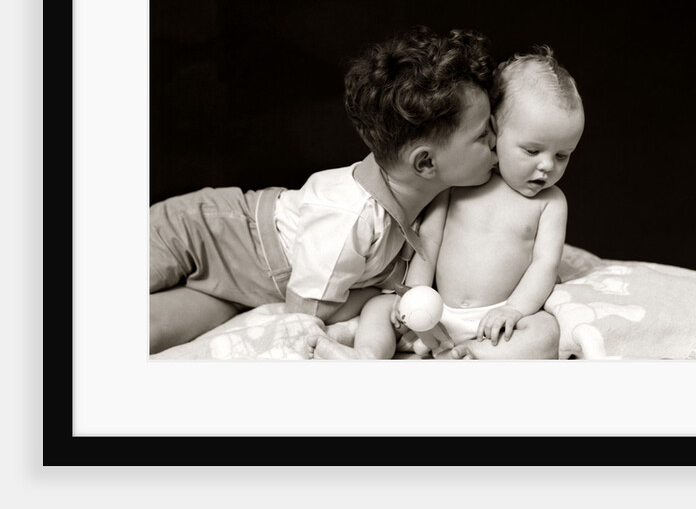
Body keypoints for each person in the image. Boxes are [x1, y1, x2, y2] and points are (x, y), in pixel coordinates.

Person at [149, 26, 498, 354]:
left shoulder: (425, 194)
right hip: (197, 230)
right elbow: (308, 310)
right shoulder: (350, 218)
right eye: (484, 135)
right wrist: (378, 294)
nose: (498, 141)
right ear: (424, 164)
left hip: (241, 283)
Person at [311, 45, 583, 360]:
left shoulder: (551, 202)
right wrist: (412, 295)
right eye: (532, 151)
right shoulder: (460, 184)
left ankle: (472, 358)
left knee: (547, 332)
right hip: (435, 311)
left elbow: (545, 264)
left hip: (495, 320)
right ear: (494, 131)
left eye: (562, 155)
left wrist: (514, 310)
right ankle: (368, 356)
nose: (548, 166)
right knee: (379, 306)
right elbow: (428, 242)